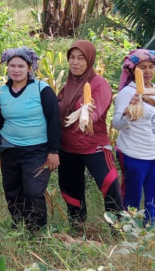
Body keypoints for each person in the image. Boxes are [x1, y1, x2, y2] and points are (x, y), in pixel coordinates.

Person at [0, 47, 61, 231]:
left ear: (29, 68)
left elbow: (54, 120)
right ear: (7, 67)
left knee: (33, 191)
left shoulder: (42, 89)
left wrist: (53, 151)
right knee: (12, 190)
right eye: (12, 66)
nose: (16, 70)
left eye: (21, 66)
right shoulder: (1, 92)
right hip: (9, 149)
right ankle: (18, 226)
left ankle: (36, 230)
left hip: (37, 150)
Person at [57, 41, 123, 228]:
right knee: (70, 188)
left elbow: (97, 109)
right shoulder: (68, 85)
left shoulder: (99, 84)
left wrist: (88, 117)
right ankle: (78, 226)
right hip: (68, 147)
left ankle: (118, 228)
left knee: (109, 184)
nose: (75, 62)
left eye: (81, 58)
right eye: (72, 57)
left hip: (95, 147)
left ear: (90, 60)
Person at [112, 49, 155, 230]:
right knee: (132, 196)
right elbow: (117, 124)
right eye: (142, 68)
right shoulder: (127, 93)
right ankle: (129, 231)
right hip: (133, 153)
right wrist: (130, 111)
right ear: (133, 70)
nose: (148, 71)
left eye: (151, 66)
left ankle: (154, 232)